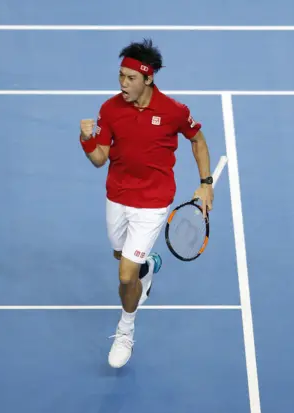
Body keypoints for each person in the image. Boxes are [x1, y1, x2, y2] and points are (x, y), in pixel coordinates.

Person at [78, 39, 215, 368]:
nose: (123, 84)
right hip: (118, 195)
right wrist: (86, 140)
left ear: (148, 78)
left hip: (153, 201)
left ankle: (125, 330)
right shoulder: (110, 110)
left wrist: (205, 183)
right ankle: (149, 265)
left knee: (126, 277)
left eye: (130, 78)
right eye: (120, 76)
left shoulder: (174, 112)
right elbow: (100, 159)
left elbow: (197, 139)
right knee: (121, 256)